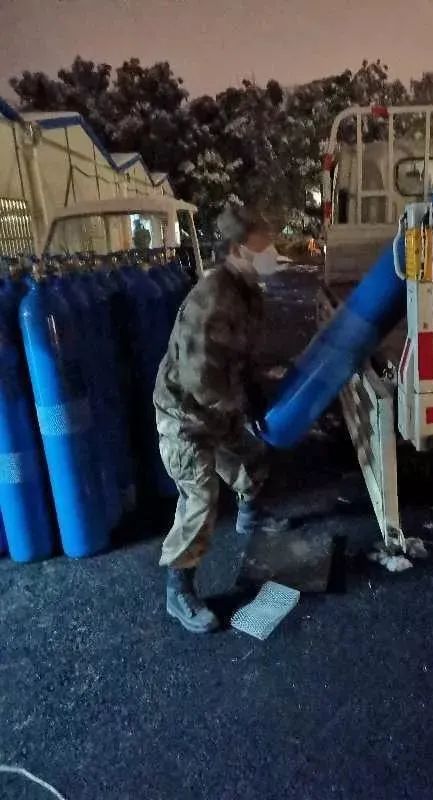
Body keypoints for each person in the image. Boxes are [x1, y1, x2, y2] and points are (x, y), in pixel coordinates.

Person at [154, 205, 287, 633]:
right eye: (262, 244)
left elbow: (242, 356)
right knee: (200, 497)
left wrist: (256, 391)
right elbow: (199, 379)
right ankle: (178, 588)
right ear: (236, 249)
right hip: (186, 414)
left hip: (219, 405)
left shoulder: (247, 291)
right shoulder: (212, 297)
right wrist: (238, 403)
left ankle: (252, 517)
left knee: (251, 456)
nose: (271, 251)